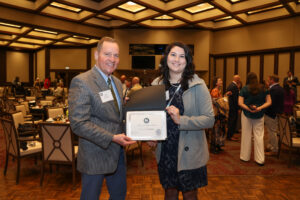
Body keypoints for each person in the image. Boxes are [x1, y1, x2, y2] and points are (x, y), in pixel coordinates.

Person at [68, 37, 135, 200]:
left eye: (116, 55)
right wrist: (111, 137)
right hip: (94, 156)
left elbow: (114, 116)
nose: (112, 59)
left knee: (119, 196)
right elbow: (78, 123)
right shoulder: (82, 82)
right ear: (96, 55)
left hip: (117, 155)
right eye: (108, 54)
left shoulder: (118, 83)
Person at [149, 42, 215, 199]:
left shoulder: (198, 85)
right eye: (173, 55)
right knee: (169, 193)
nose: (177, 59)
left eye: (182, 56)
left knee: (190, 195)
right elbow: (151, 116)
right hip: (166, 151)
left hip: (190, 151)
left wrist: (181, 120)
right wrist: (150, 135)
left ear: (188, 61)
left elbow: (209, 119)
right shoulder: (156, 84)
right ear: (166, 58)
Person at [238, 72, 271, 166]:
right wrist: (260, 108)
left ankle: (245, 157)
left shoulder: (244, 89)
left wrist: (248, 108)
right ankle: (260, 159)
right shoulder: (263, 88)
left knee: (246, 135)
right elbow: (269, 102)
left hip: (246, 114)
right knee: (259, 136)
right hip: (259, 114)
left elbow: (240, 103)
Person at [210, 77, 231, 154]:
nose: (221, 81)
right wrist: (224, 99)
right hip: (217, 113)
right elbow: (217, 102)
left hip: (219, 113)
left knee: (219, 130)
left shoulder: (218, 90)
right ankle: (214, 146)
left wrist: (225, 95)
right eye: (220, 80)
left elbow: (220, 100)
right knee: (216, 130)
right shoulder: (215, 90)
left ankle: (217, 145)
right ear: (216, 83)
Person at [264, 75, 284, 156]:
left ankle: (274, 149)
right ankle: (270, 146)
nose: (268, 81)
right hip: (276, 113)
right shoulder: (280, 88)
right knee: (271, 131)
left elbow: (270, 103)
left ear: (272, 80)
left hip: (271, 113)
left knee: (272, 132)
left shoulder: (273, 90)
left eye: (269, 80)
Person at [226, 75, 241, 141]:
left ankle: (230, 135)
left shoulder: (230, 85)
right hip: (233, 107)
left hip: (231, 106)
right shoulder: (234, 86)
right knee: (232, 121)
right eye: (239, 79)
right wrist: (238, 108)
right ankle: (230, 136)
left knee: (231, 121)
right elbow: (236, 99)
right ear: (237, 79)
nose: (239, 80)